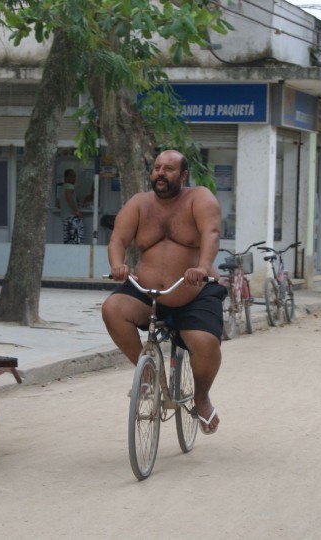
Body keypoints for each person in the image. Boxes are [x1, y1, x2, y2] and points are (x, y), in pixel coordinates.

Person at [101, 149, 226, 434]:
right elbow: (118, 239)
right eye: (157, 168)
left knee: (206, 344)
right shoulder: (139, 204)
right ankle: (148, 376)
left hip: (192, 292)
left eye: (168, 169)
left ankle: (202, 397)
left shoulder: (199, 198)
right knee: (112, 309)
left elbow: (211, 234)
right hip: (146, 293)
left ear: (183, 175)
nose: (160, 173)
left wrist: (204, 266)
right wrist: (117, 264)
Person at [58, 169, 84, 244]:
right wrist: (76, 211)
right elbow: (68, 197)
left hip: (65, 217)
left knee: (67, 239)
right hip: (72, 217)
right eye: (71, 176)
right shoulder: (70, 186)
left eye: (75, 176)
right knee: (76, 239)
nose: (74, 178)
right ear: (66, 177)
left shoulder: (62, 187)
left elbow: (58, 204)